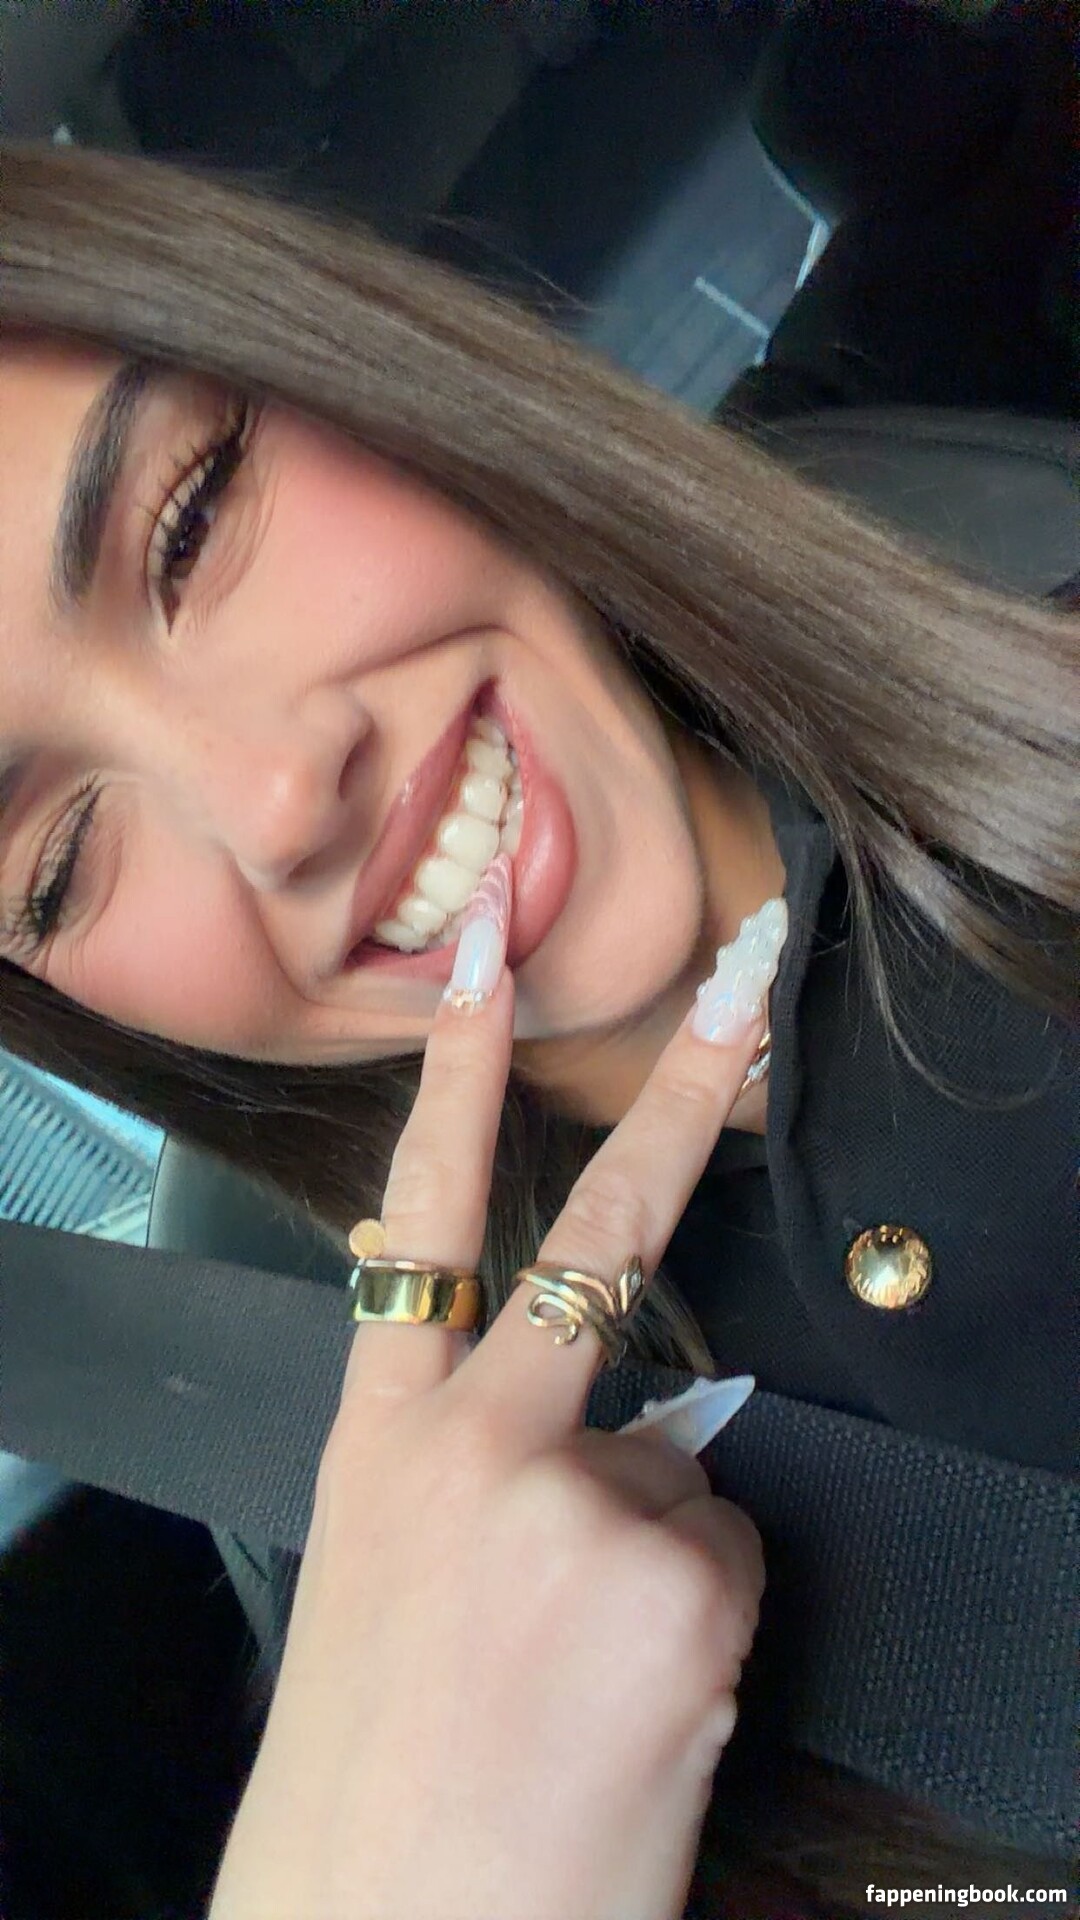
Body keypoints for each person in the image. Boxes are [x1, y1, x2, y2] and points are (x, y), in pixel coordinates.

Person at [0, 139, 1075, 1919]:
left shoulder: (992, 480)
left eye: (188, 524)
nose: (277, 798)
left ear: (361, 371)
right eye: (51, 868)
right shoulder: (376, 1563)